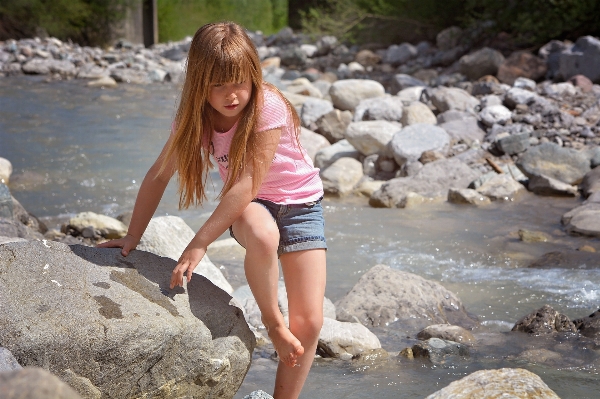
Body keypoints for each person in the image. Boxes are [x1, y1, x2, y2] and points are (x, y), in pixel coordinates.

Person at [98, 21, 326, 399]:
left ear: (253, 74)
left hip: (302, 206)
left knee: (312, 321)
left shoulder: (268, 105)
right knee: (263, 233)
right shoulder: (196, 119)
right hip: (251, 205)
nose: (231, 95)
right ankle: (272, 324)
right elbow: (159, 175)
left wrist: (200, 242)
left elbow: (247, 180)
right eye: (217, 84)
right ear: (199, 83)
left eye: (238, 81)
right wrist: (133, 236)